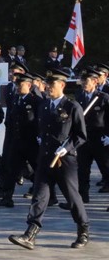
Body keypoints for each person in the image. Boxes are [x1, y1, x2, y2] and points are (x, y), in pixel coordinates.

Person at [9, 68, 90, 250]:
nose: (47, 87)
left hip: (65, 161)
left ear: (62, 85)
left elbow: (81, 136)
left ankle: (83, 230)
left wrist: (66, 148)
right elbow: (41, 129)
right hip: (45, 158)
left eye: (51, 84)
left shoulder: (72, 107)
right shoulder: (44, 106)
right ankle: (30, 234)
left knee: (72, 197)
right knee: (39, 196)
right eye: (47, 84)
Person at [0, 72, 43, 208]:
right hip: (17, 141)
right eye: (16, 85)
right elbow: (11, 119)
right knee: (11, 170)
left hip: (31, 142)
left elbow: (40, 121)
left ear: (29, 85)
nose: (17, 88)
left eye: (20, 85)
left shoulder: (36, 101)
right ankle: (7, 197)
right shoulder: (16, 99)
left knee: (38, 169)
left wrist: (40, 136)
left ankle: (49, 196)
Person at [72, 68, 109, 204]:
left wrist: (108, 136)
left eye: (86, 81)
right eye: (82, 81)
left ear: (94, 82)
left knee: (106, 169)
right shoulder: (79, 96)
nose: (83, 84)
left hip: (100, 139)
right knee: (82, 170)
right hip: (84, 139)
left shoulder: (103, 97)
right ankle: (82, 198)